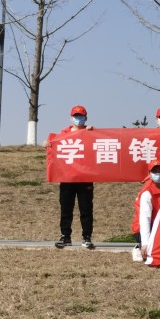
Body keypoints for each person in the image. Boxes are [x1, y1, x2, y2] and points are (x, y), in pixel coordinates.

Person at [53, 105, 95, 249]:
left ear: (86, 118)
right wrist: (47, 144)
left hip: (84, 178)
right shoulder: (63, 134)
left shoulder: (90, 133)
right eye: (76, 116)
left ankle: (87, 237)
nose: (78, 118)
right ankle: (65, 236)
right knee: (66, 208)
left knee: (86, 209)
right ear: (71, 118)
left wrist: (93, 132)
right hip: (67, 178)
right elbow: (53, 144)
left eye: (81, 116)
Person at [131, 160, 160, 262]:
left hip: (159, 224)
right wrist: (146, 243)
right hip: (142, 228)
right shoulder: (147, 193)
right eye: (155, 171)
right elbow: (145, 218)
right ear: (150, 173)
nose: (158, 173)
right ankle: (139, 248)